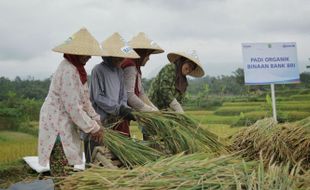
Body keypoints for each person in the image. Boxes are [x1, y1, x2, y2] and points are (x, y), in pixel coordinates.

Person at [38, 28, 106, 177]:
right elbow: (73, 108)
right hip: (57, 125)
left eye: (90, 53)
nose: (89, 57)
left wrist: (96, 119)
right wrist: (93, 128)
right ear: (75, 52)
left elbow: (85, 100)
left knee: (68, 168)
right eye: (85, 53)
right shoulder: (68, 70)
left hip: (65, 123)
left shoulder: (78, 70)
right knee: (63, 172)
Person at [85, 32, 139, 163]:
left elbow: (123, 94)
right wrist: (117, 109)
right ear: (109, 55)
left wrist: (124, 108)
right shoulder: (98, 70)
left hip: (115, 121)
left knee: (111, 158)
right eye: (118, 56)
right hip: (101, 121)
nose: (121, 59)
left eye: (122, 56)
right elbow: (98, 97)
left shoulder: (120, 71)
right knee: (96, 156)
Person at [121, 32, 164, 112]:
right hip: (122, 111)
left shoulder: (137, 68)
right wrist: (149, 110)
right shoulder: (130, 66)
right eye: (148, 55)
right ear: (142, 54)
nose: (148, 59)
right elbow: (129, 95)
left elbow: (141, 93)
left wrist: (155, 109)